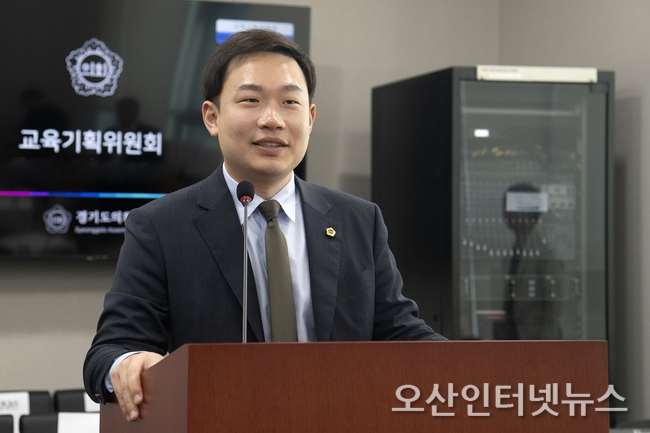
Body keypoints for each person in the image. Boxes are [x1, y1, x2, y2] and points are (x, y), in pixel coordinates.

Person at [83, 29, 445, 422]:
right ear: (212, 117)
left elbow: (400, 332)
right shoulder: (160, 226)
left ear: (310, 118)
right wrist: (129, 362)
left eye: (290, 102)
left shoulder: (358, 220)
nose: (272, 119)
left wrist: (468, 366)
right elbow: (110, 350)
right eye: (251, 100)